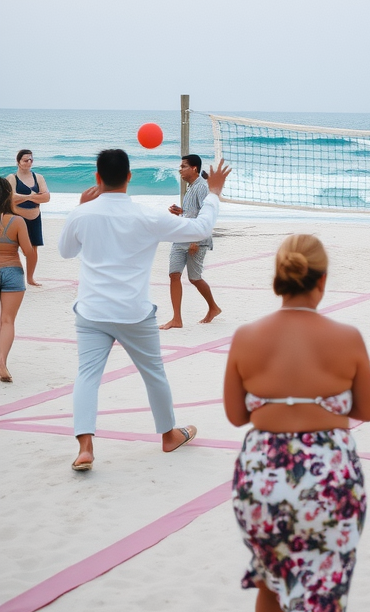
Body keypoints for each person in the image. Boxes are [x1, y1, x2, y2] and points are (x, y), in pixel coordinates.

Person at [224, 234, 370, 612]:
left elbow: (236, 415)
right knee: (319, 596)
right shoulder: (346, 337)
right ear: (322, 280)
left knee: (272, 580)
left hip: (262, 473)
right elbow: (366, 408)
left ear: (279, 276)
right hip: (328, 474)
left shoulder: (247, 336)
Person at [58, 149, 231, 472]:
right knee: (154, 374)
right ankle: (168, 436)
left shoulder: (82, 214)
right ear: (129, 176)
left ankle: (85, 448)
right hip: (134, 312)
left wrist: (79, 209)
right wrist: (215, 194)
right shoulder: (145, 216)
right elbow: (200, 229)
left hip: (92, 311)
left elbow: (66, 251)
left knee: (87, 377)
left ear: (97, 178)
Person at [160, 154, 221, 328]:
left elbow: (206, 215)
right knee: (174, 274)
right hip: (182, 236)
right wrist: (181, 212)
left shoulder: (202, 187)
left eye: (183, 166)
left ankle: (213, 307)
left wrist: (196, 239)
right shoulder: (191, 187)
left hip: (196, 239)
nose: (180, 169)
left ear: (194, 168)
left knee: (194, 278)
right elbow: (193, 212)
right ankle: (176, 319)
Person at [0, 177, 35, 382]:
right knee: (7, 321)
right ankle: (2, 362)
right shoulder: (17, 221)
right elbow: (28, 251)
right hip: (12, 270)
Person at [7, 150, 50, 286]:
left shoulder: (38, 177)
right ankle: (12, 278)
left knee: (33, 249)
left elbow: (46, 197)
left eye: (31, 159)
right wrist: (33, 196)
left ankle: (30, 278)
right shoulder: (12, 178)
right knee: (13, 249)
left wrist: (24, 197)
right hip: (17, 218)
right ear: (18, 162)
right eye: (26, 160)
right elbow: (11, 199)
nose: (29, 162)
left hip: (35, 217)